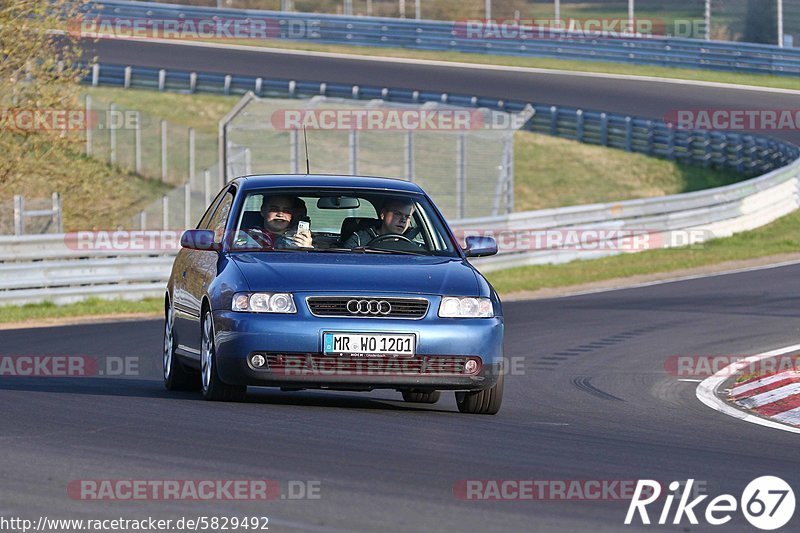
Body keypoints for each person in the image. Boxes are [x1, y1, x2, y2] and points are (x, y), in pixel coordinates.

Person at [342, 198, 415, 248]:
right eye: (397, 214)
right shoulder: (359, 240)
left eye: (407, 217)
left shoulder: (411, 245)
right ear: (383, 215)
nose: (403, 220)